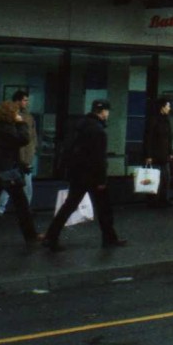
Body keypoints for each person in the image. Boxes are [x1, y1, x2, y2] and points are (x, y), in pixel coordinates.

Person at [43, 100, 126, 250]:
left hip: (77, 173)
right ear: (103, 112)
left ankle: (51, 236)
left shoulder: (79, 125)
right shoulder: (98, 131)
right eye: (107, 111)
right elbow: (99, 158)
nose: (108, 114)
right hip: (93, 175)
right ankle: (109, 238)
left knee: (69, 205)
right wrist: (102, 179)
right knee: (104, 208)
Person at [0, 96, 41, 247]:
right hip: (6, 171)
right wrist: (21, 122)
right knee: (21, 203)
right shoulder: (5, 128)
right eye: (16, 112)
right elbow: (23, 139)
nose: (18, 114)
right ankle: (30, 235)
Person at [0, 90, 37, 218]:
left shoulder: (29, 117)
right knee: (15, 184)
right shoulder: (12, 117)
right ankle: (2, 208)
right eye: (24, 100)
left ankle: (4, 208)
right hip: (16, 157)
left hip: (26, 155)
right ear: (17, 101)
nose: (27, 103)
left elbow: (33, 136)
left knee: (23, 185)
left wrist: (34, 149)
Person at [142, 96, 173, 208]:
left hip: (164, 154)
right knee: (154, 178)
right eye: (168, 106)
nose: (169, 108)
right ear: (162, 107)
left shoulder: (166, 120)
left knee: (165, 178)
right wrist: (148, 155)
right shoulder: (153, 120)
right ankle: (153, 201)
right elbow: (148, 138)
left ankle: (164, 199)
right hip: (155, 154)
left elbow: (169, 138)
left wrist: (170, 152)